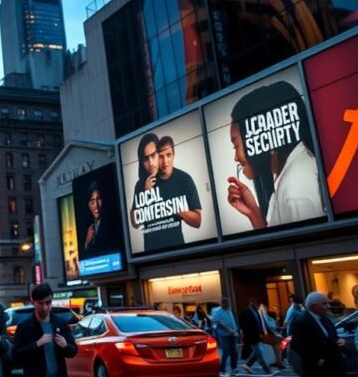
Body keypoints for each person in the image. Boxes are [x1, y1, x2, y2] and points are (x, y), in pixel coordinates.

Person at [224, 81, 324, 230]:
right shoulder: (290, 174)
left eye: (236, 146)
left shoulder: (294, 191)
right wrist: (254, 214)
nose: (235, 157)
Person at [12, 283, 78, 377]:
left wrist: (65, 346)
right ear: (32, 302)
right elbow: (15, 356)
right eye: (40, 303)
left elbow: (73, 351)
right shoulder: (25, 326)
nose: (44, 307)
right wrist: (36, 345)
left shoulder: (60, 323)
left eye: (48, 302)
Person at [291, 291, 357, 377]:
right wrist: (315, 359)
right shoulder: (301, 321)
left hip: (334, 365)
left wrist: (340, 342)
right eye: (324, 303)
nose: (328, 306)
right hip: (318, 368)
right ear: (314, 306)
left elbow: (332, 337)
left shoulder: (325, 319)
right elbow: (297, 345)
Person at [129, 134, 203, 252]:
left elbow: (198, 221)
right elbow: (134, 223)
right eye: (146, 158)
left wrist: (175, 207)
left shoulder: (184, 179)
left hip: (178, 250)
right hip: (150, 254)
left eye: (153, 155)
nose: (151, 162)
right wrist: (145, 194)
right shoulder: (141, 185)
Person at [239, 298, 277, 375]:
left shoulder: (256, 311)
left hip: (257, 335)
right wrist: (244, 336)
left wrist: (262, 332)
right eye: (255, 303)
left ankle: (248, 364)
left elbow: (259, 323)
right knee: (259, 352)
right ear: (251, 303)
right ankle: (267, 370)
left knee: (257, 351)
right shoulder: (246, 312)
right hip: (251, 336)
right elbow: (244, 326)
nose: (257, 305)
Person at [211, 298, 239, 377]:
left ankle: (234, 368)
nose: (227, 304)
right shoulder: (218, 312)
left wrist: (235, 330)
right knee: (226, 351)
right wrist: (228, 330)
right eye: (225, 303)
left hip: (232, 333)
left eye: (227, 303)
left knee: (234, 351)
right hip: (223, 334)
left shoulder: (228, 310)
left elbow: (232, 321)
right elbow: (219, 323)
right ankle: (222, 369)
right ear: (222, 303)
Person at [82, 181, 107, 253]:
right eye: (92, 201)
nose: (96, 205)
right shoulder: (87, 227)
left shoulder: (110, 225)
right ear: (88, 204)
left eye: (98, 199)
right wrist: (87, 242)